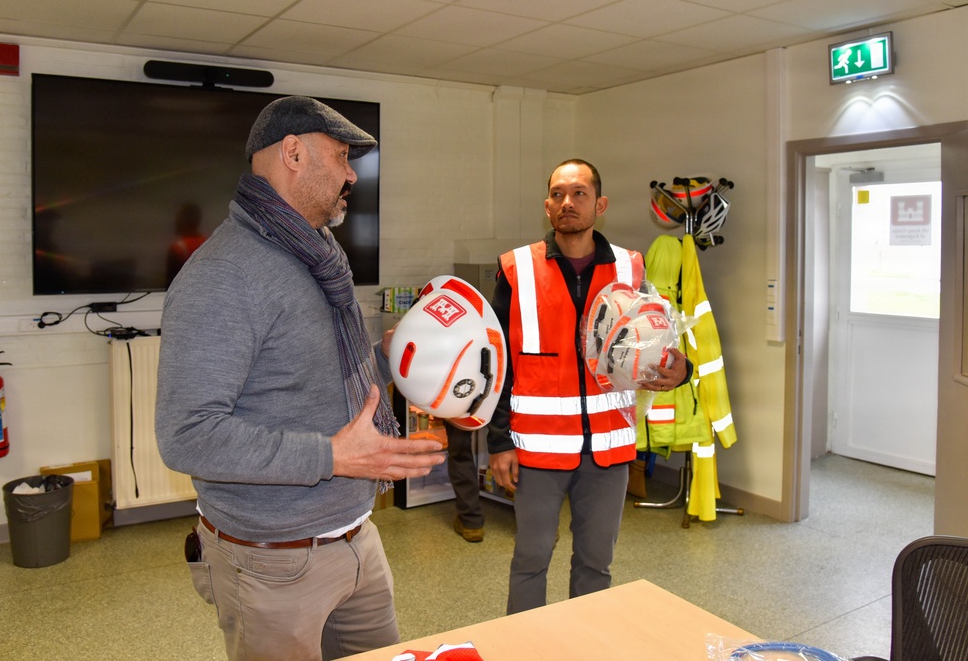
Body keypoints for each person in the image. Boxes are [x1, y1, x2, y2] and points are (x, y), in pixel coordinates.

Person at [155, 95, 446, 661]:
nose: (350, 174)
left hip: (356, 534)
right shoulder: (223, 275)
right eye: (340, 156)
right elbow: (185, 433)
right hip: (270, 560)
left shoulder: (318, 255)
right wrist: (332, 457)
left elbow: (319, 376)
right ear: (292, 154)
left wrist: (387, 357)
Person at [486, 158, 692, 614]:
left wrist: (684, 369)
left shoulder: (630, 267)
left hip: (610, 452)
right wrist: (498, 442)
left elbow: (660, 336)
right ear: (546, 206)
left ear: (599, 204)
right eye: (558, 194)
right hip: (537, 450)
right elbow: (497, 363)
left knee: (596, 565)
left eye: (579, 193)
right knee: (530, 561)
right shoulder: (516, 269)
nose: (568, 203)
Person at [444, 420, 485, 542]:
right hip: (500, 402)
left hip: (461, 404)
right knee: (508, 446)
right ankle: (527, 520)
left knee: (460, 451)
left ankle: (471, 523)